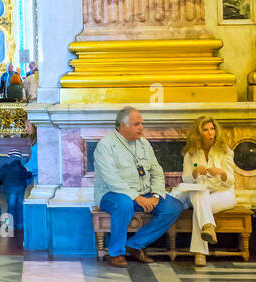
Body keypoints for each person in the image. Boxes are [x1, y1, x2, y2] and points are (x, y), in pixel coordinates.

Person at [94, 107, 185, 268]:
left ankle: (135, 245)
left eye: (142, 123)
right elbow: (111, 178)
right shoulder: (106, 145)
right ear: (123, 126)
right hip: (112, 193)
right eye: (137, 124)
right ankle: (116, 252)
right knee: (124, 204)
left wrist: (156, 196)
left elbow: (156, 171)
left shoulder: (144, 143)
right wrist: (136, 197)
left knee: (173, 206)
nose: (141, 127)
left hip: (145, 193)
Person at [172, 116, 236, 267]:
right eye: (206, 130)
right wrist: (194, 173)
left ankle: (200, 252)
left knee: (200, 209)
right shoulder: (191, 153)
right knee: (199, 193)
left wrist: (222, 173)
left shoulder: (224, 151)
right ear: (199, 133)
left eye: (212, 129)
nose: (210, 133)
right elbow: (186, 179)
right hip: (200, 192)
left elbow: (231, 180)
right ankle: (207, 228)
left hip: (223, 192)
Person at [0, 123, 37, 231]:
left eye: (28, 126)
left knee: (11, 206)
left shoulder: (5, 167)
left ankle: (10, 225)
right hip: (21, 188)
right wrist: (28, 181)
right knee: (20, 205)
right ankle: (20, 224)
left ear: (9, 158)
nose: (25, 128)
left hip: (10, 189)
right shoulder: (22, 168)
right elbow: (27, 176)